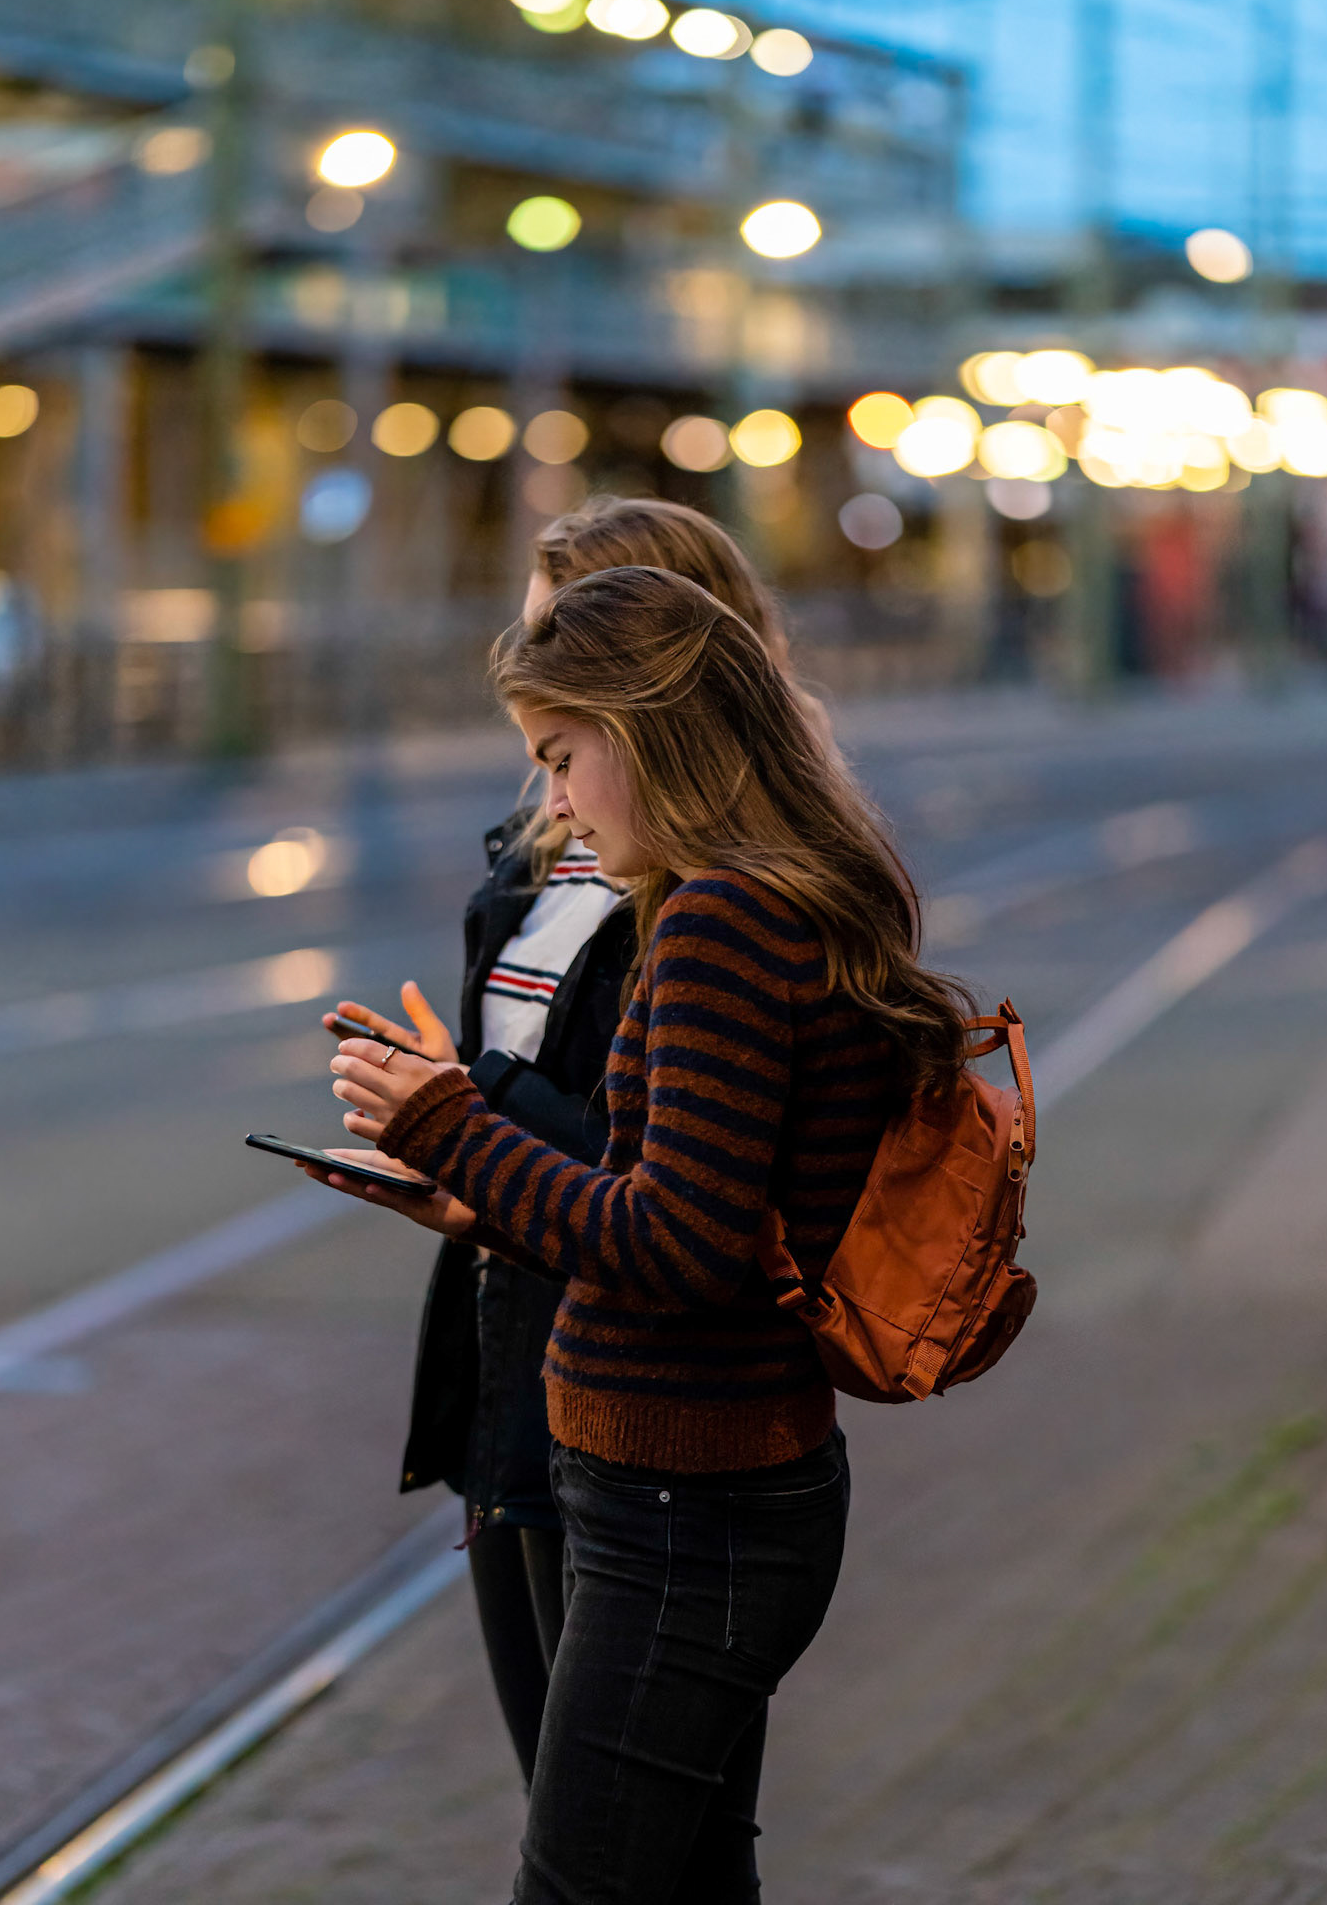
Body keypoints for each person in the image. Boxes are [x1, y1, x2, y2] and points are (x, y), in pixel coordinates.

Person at [305, 565, 968, 1903]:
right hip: (715, 1489)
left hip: (683, 1506)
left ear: (647, 731)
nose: (549, 803)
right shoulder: (793, 888)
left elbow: (679, 1243)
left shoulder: (719, 919)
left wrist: (451, 1128)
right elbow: (668, 1191)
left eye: (561, 758)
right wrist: (480, 1180)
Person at [321, 498, 798, 1790]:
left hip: (645, 1399)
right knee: (591, 1816)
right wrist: (446, 1134)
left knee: (614, 1838)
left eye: (554, 646)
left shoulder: (712, 903)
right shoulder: (540, 858)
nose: (529, 675)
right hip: (516, 1355)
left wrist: (459, 1117)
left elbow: (678, 1194)